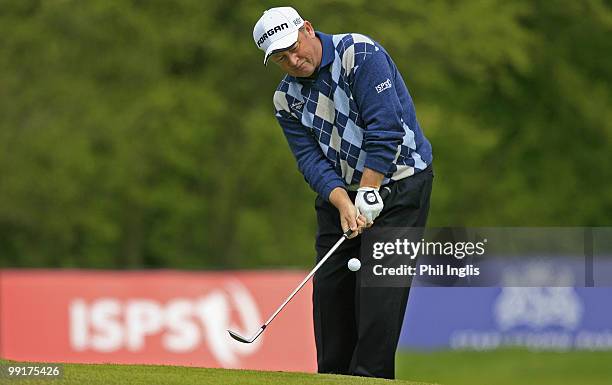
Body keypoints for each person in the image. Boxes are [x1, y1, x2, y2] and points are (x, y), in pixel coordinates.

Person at [253, 7, 433, 379]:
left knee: (378, 304)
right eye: (281, 58)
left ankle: (371, 377)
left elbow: (386, 129)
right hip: (342, 198)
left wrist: (368, 190)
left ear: (307, 29)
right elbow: (309, 160)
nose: (293, 60)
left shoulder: (359, 55)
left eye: (293, 47)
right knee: (331, 300)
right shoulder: (285, 100)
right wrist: (342, 201)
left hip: (401, 187)